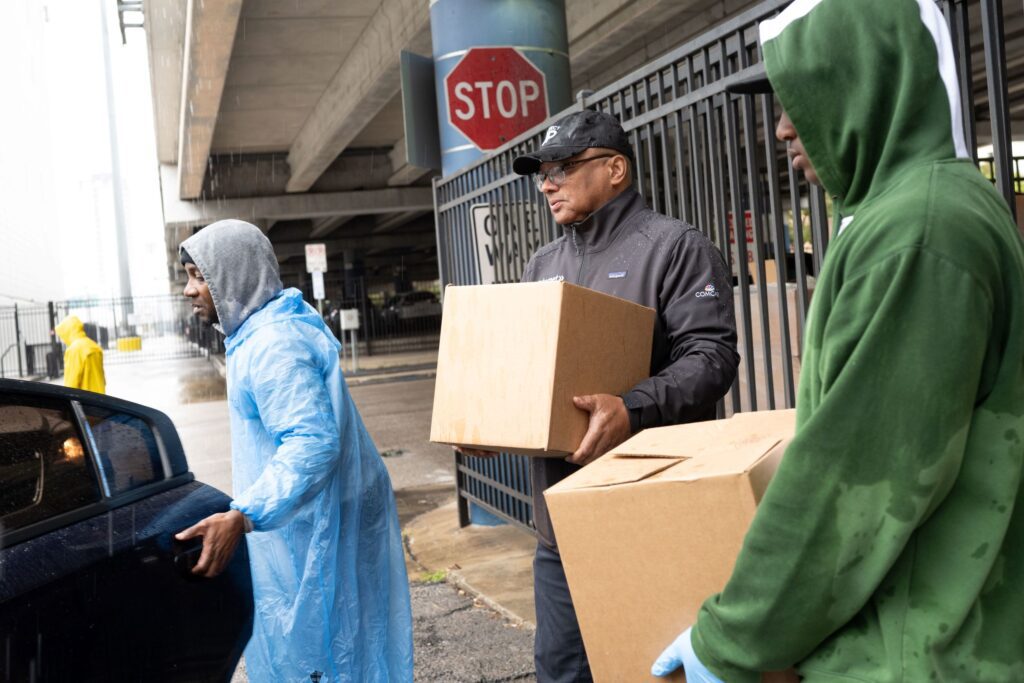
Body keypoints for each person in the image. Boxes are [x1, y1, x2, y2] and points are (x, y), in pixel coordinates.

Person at [652, 1, 1024, 681]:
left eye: (802, 94)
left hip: (918, 647)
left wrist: (730, 639)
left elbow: (856, 480)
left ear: (867, 80)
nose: (783, 128)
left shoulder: (918, 229)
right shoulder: (913, 209)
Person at [461, 110, 739, 682]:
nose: (546, 183)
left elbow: (711, 358)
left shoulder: (674, 247)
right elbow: (530, 374)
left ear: (616, 169)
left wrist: (631, 406)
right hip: (560, 526)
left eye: (563, 167)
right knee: (561, 673)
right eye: (541, 172)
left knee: (651, 672)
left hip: (649, 518)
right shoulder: (544, 263)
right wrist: (486, 420)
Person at [174, 220, 413, 682]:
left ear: (233, 275)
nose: (189, 289)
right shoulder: (260, 335)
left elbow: (312, 442)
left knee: (325, 654)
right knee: (342, 647)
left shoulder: (271, 346)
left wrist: (244, 514)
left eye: (198, 275)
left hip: (315, 525)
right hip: (310, 519)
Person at [54, 315, 105, 393]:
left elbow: (71, 383)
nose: (63, 339)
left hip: (84, 400)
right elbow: (102, 378)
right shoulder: (94, 346)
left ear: (68, 331)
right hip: (100, 397)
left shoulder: (74, 350)